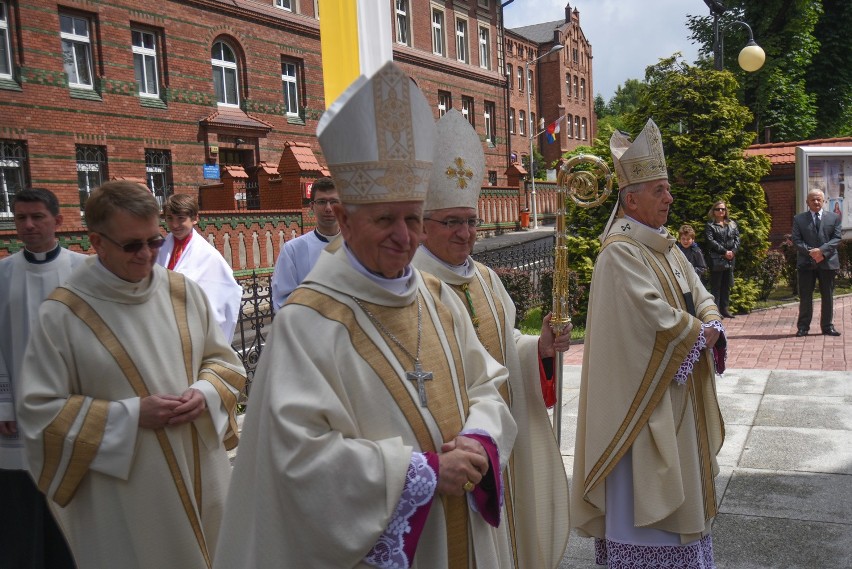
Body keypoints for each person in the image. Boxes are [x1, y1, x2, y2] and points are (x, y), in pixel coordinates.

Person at [214, 62, 517, 569]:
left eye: (414, 218)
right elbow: (297, 462)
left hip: (462, 528)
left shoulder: (438, 299)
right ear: (345, 221)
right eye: (385, 219)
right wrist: (418, 474)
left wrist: (481, 439)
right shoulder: (308, 322)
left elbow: (488, 385)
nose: (405, 236)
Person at [16, 181, 246, 569]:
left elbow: (224, 362)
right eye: (132, 245)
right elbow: (39, 413)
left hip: (202, 473)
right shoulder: (63, 314)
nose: (146, 255)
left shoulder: (182, 292)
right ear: (97, 241)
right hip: (126, 491)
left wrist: (204, 392)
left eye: (154, 242)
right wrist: (132, 415)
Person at [412, 109, 570, 568]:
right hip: (451, 449)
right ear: (423, 225)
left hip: (500, 433)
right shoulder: (413, 283)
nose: (465, 233)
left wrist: (537, 349)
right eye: (451, 223)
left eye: (471, 221)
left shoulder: (485, 278)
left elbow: (506, 342)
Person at [571, 119, 726, 569]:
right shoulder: (620, 252)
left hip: (678, 395)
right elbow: (653, 320)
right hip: (640, 408)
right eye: (660, 190)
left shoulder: (666, 246)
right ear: (630, 198)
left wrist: (711, 318)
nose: (670, 198)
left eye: (668, 189)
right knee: (647, 511)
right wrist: (701, 333)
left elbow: (700, 293)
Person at [0, 188, 84, 569]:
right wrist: (2, 402)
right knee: (22, 502)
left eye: (37, 217)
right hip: (15, 406)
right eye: (20, 218)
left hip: (74, 405)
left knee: (75, 493)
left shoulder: (84, 271)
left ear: (59, 221)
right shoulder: (2, 274)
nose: (29, 225)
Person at [156, 193, 242, 341]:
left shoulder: (209, 256)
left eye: (181, 218)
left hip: (194, 332)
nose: (174, 225)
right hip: (163, 329)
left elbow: (225, 295)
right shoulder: (159, 250)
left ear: (195, 218)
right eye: (169, 218)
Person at [270, 176, 341, 311]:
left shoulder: (357, 247)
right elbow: (282, 300)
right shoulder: (293, 250)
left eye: (334, 201)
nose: (328, 208)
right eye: (321, 202)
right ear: (311, 206)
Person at [792, 188, 842, 337]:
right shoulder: (799, 219)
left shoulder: (834, 218)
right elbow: (796, 240)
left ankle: (827, 327)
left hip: (827, 262)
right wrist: (812, 253)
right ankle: (803, 327)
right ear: (807, 202)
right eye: (812, 199)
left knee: (828, 296)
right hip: (806, 263)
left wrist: (822, 252)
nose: (816, 202)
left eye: (818, 199)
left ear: (824, 201)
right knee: (806, 297)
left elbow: (837, 238)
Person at [704, 200, 740, 318]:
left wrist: (733, 252)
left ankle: (725, 309)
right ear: (713, 211)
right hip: (717, 259)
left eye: (723, 209)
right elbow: (710, 241)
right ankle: (716, 311)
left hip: (730, 259)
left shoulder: (732, 224)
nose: (721, 211)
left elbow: (737, 239)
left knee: (727, 285)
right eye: (718, 209)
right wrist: (724, 251)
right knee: (716, 286)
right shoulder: (710, 225)